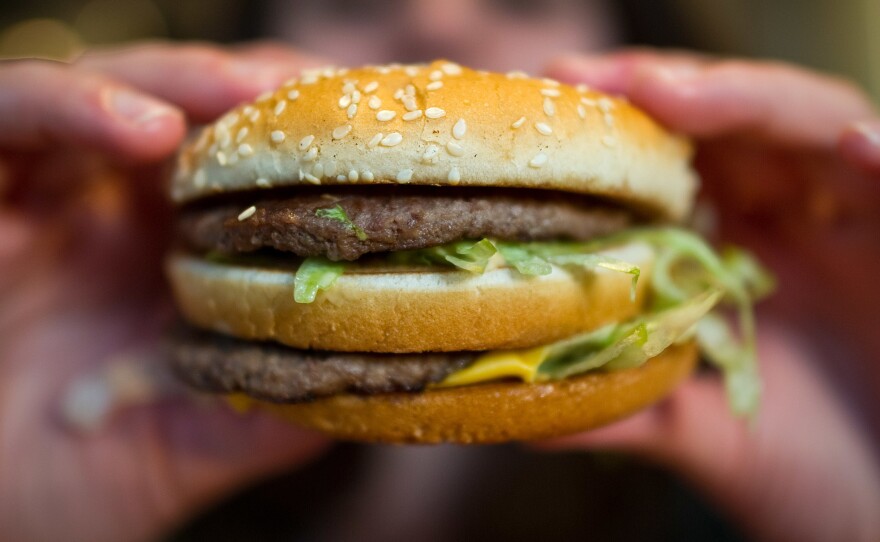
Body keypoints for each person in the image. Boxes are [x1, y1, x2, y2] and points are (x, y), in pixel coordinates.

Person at [1, 1, 880, 540]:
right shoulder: (94, 409)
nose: (439, 14)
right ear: (247, 47)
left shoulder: (743, 492)